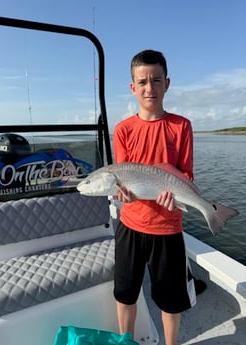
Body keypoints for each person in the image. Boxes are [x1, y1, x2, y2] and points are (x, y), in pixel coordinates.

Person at [113, 49, 197, 345]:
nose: (150, 88)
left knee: (170, 301)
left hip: (169, 227)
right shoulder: (122, 130)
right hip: (131, 226)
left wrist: (180, 197)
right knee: (125, 294)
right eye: (143, 82)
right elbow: (122, 179)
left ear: (167, 83)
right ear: (132, 87)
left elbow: (186, 175)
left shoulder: (181, 126)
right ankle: (126, 341)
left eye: (156, 80)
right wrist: (122, 193)